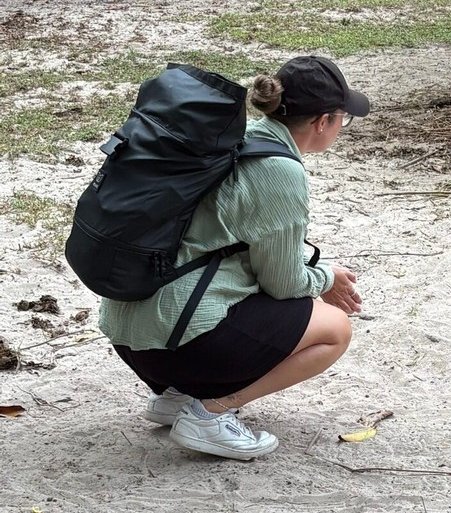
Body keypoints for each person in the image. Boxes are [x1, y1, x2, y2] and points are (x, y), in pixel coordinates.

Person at [100, 55, 369, 461]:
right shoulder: (280, 170)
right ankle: (210, 413)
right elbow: (284, 284)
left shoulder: (236, 137)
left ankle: (178, 398)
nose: (341, 128)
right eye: (343, 119)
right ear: (322, 121)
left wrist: (318, 271)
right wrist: (326, 280)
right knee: (335, 328)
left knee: (253, 296)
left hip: (131, 336)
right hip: (177, 345)